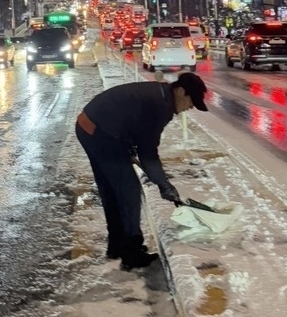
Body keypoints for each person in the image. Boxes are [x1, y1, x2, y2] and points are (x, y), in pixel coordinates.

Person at [75, 71, 209, 270]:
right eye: (192, 101)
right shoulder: (160, 105)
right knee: (129, 189)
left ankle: (117, 244)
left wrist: (127, 146)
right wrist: (163, 183)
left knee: (112, 189)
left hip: (90, 126)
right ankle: (131, 252)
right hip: (100, 133)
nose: (190, 107)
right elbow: (148, 152)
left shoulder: (161, 94)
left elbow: (136, 125)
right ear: (181, 91)